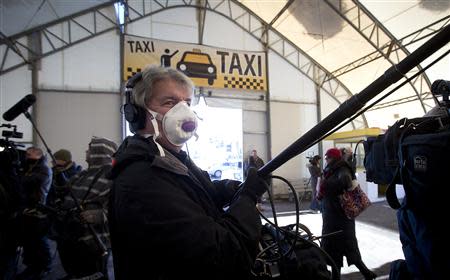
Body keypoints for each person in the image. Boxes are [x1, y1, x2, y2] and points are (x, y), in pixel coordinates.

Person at [109, 65, 267, 280]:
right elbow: (224, 254)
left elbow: (191, 191)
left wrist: (228, 189)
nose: (183, 111)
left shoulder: (168, 158)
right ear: (136, 113)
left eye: (187, 103)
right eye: (170, 102)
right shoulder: (142, 179)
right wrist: (247, 199)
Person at [54, 137, 117, 280]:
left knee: (93, 274)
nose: (86, 151)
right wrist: (59, 175)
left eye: (90, 149)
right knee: (75, 271)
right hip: (72, 235)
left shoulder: (111, 177)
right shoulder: (83, 174)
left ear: (99, 153)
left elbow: (118, 210)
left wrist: (97, 215)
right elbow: (64, 193)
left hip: (93, 241)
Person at [317, 148, 376, 280]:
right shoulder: (331, 169)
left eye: (328, 157)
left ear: (334, 157)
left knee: (349, 247)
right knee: (334, 249)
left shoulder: (342, 168)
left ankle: (366, 273)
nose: (325, 159)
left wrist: (325, 185)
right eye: (326, 157)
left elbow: (345, 182)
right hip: (332, 216)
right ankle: (340, 276)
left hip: (341, 216)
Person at [17, 147, 53, 280]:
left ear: (38, 155)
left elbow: (29, 181)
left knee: (39, 242)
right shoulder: (29, 168)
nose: (26, 156)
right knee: (29, 242)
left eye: (28, 154)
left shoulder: (44, 169)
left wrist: (19, 172)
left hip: (38, 212)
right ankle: (31, 266)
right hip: (26, 211)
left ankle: (44, 267)